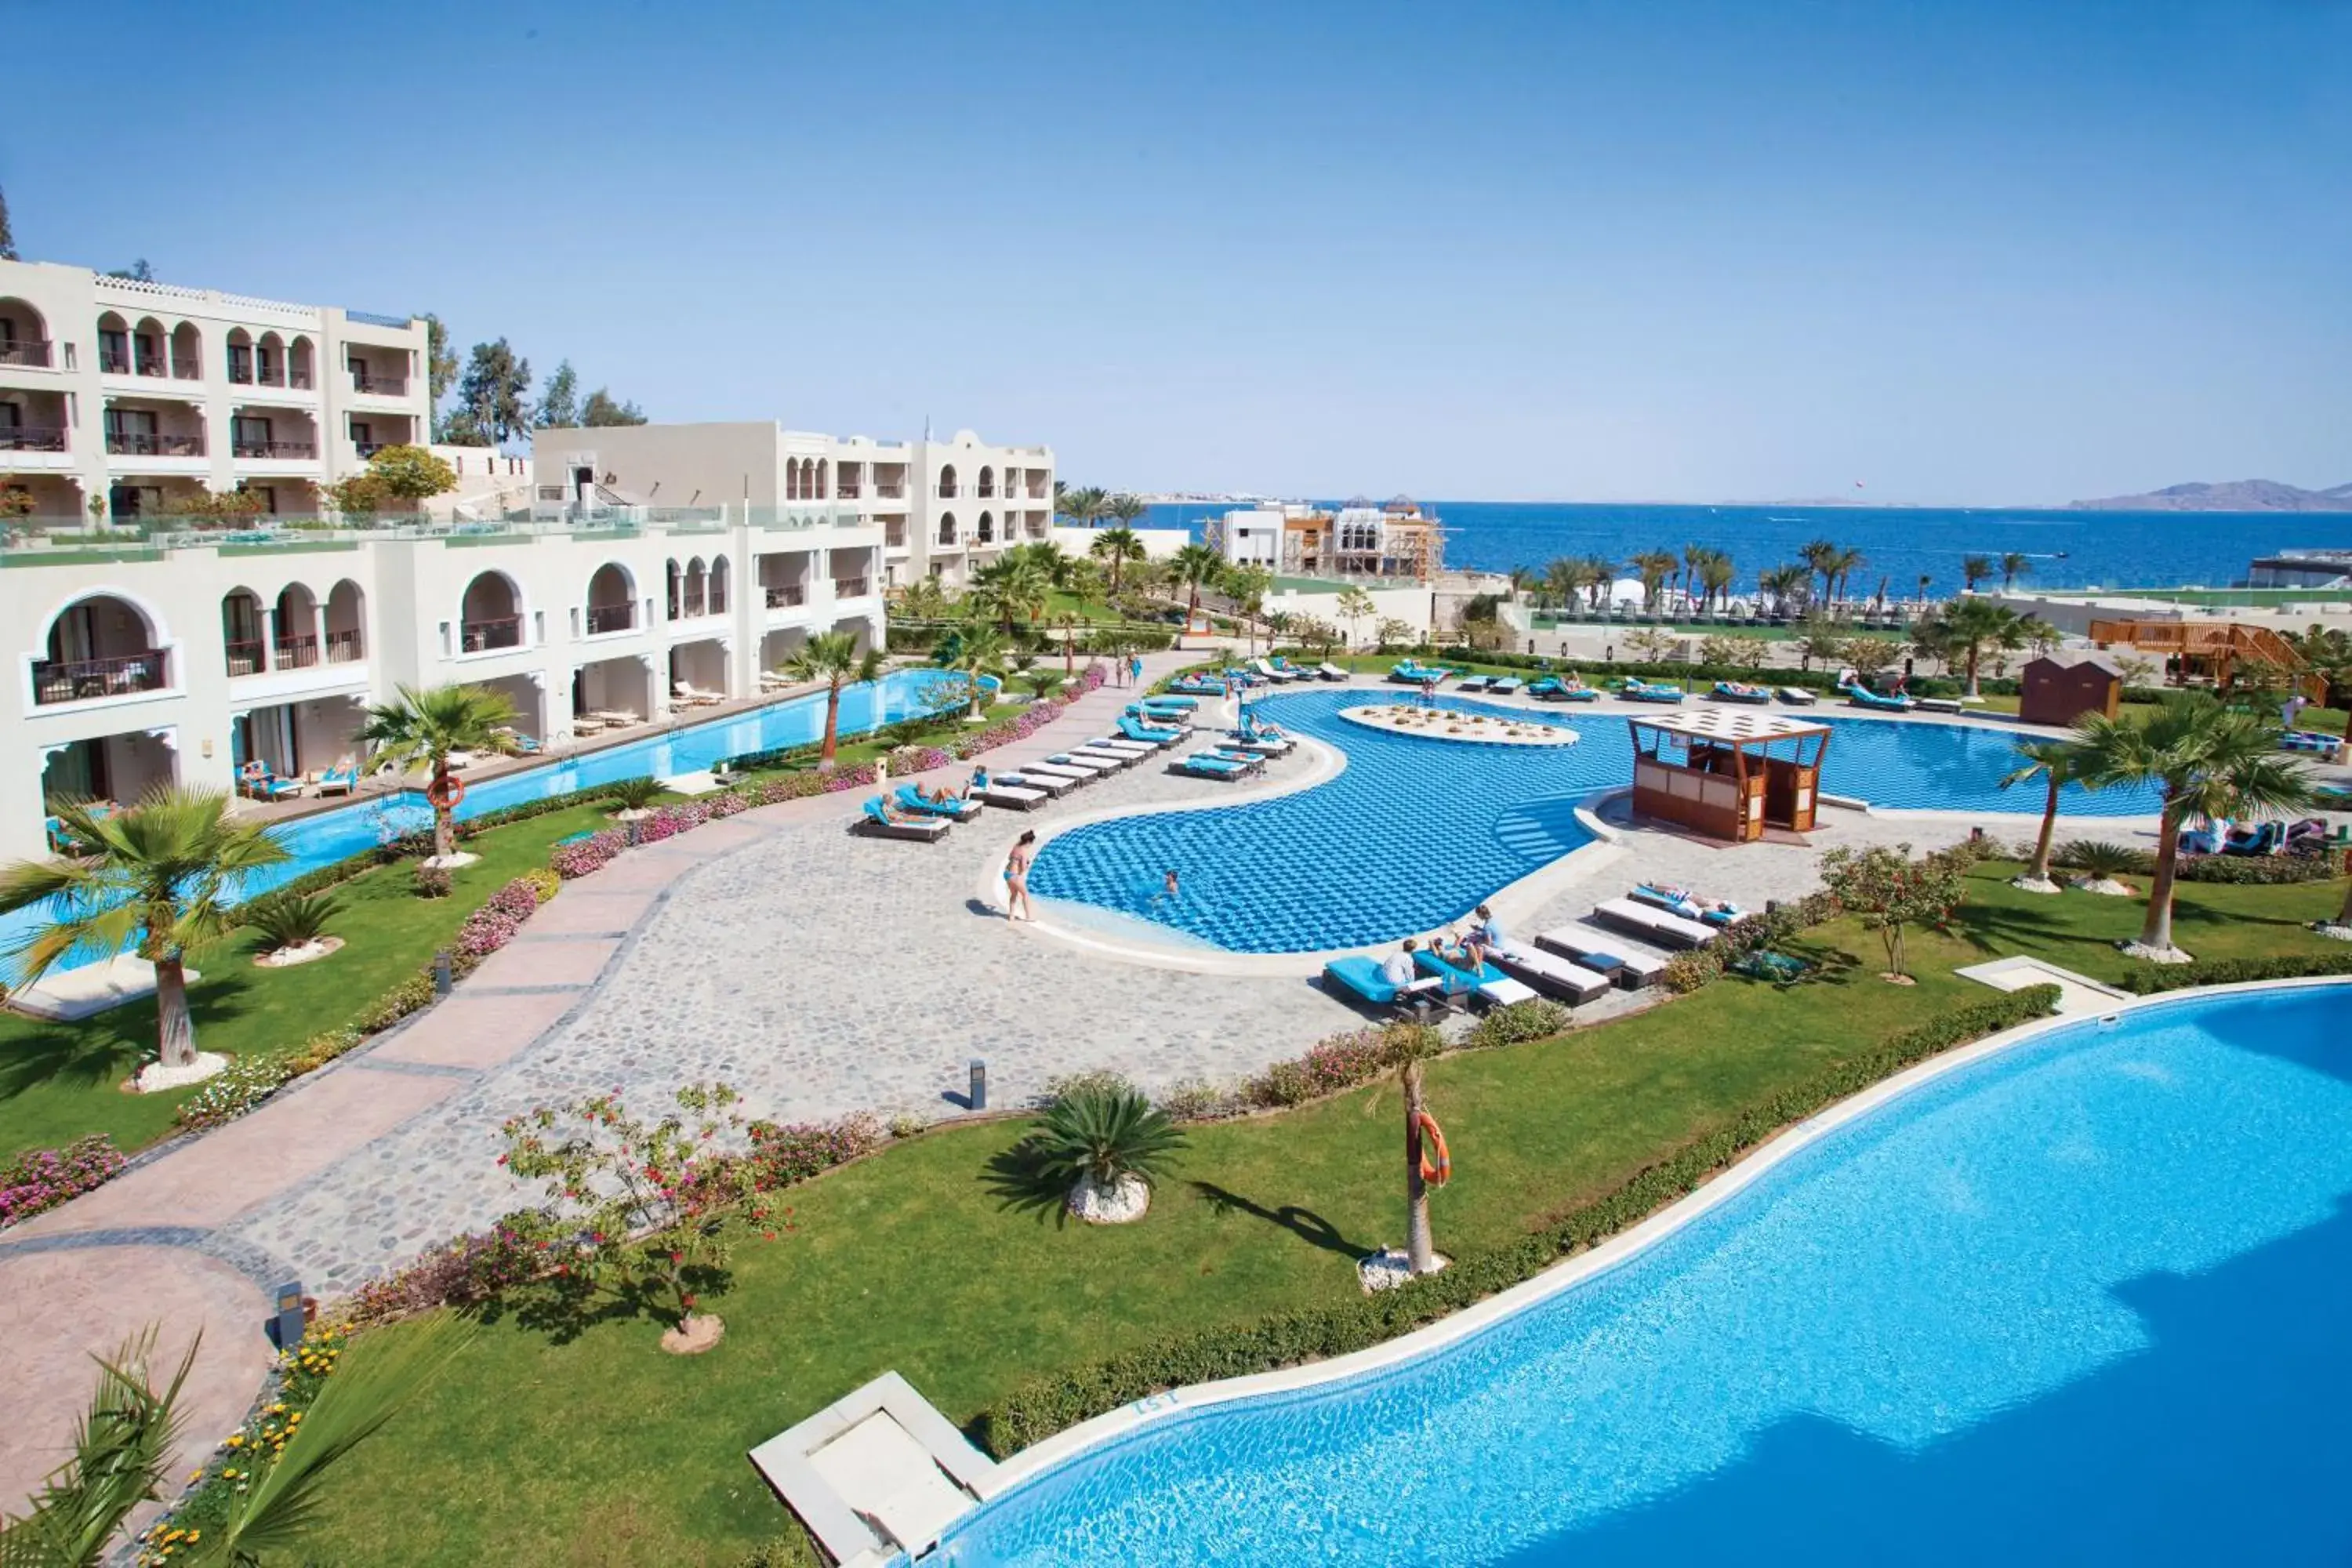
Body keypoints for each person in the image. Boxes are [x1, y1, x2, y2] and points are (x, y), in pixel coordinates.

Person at [1004, 829, 1036, 922]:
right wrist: (1027, 865)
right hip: (1015, 876)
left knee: (1014, 894)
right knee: (1025, 894)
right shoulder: (1024, 851)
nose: (1031, 845)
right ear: (1028, 842)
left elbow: (1010, 857)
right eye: (1031, 843)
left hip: (1007, 873)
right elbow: (1023, 867)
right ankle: (1028, 917)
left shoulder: (1016, 846)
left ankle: (1011, 916)